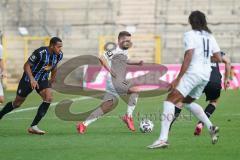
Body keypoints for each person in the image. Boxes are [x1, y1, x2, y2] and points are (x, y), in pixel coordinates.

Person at [148, 10, 222, 149]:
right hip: (205, 75)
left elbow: (188, 55)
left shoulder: (190, 34)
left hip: (193, 73)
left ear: (191, 22)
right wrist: (204, 60)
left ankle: (163, 139)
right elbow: (218, 58)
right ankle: (211, 127)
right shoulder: (209, 36)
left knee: (170, 100)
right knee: (186, 102)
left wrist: (178, 78)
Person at [76, 31, 143, 134]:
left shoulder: (124, 50)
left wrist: (137, 63)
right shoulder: (115, 49)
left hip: (115, 81)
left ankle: (83, 125)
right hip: (115, 80)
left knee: (106, 107)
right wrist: (111, 71)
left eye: (130, 40)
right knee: (136, 90)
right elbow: (102, 58)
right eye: (127, 40)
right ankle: (128, 116)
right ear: (120, 40)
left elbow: (126, 61)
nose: (129, 42)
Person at [0, 37, 63, 135]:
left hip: (42, 79)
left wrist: (52, 79)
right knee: (17, 103)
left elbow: (54, 67)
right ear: (52, 46)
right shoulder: (40, 52)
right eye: (58, 47)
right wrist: (32, 79)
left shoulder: (59, 55)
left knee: (49, 97)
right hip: (28, 80)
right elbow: (26, 66)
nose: (60, 49)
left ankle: (33, 126)